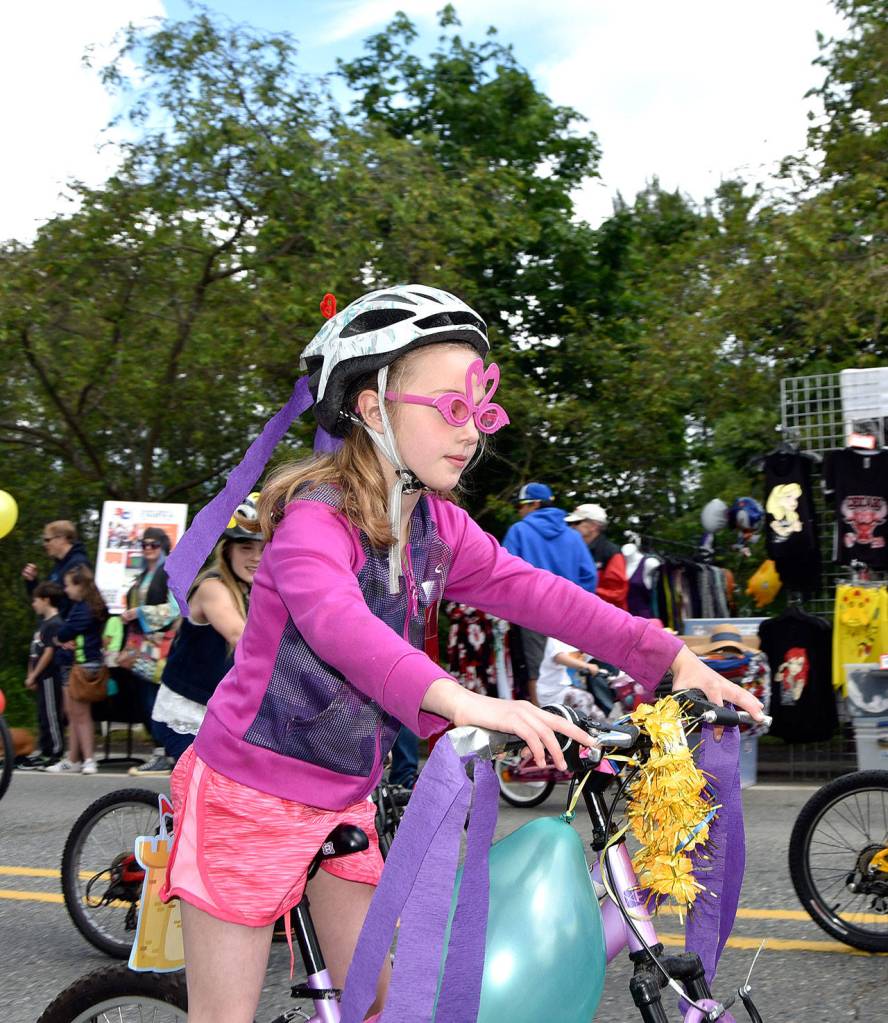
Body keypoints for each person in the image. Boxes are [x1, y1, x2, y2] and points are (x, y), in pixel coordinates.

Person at [158, 284, 763, 1023]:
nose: (471, 431)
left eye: (480, 410)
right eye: (449, 408)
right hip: (247, 797)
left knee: (385, 1006)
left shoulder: (437, 526)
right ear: (375, 409)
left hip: (342, 796)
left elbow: (539, 594)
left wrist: (671, 658)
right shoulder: (315, 522)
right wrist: (459, 698)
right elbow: (339, 624)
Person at [144, 499, 265, 771]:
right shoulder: (213, 587)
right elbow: (239, 636)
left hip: (225, 712)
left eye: (263, 548)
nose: (256, 557)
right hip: (187, 713)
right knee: (208, 792)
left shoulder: (259, 590)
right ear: (228, 550)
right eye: (246, 547)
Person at [502, 483, 598, 703]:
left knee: (536, 667)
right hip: (569, 612)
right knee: (569, 663)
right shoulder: (573, 536)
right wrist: (575, 602)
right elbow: (589, 576)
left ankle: (541, 722)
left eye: (521, 505)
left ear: (534, 504)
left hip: (532, 612)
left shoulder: (519, 531)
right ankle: (572, 720)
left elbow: (504, 573)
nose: (519, 510)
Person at [120, 527, 180, 777]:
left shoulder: (170, 573)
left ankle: (166, 753)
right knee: (145, 699)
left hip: (161, 647)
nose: (148, 548)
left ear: (164, 546)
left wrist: (139, 613)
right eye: (144, 544)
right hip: (140, 647)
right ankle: (162, 752)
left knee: (156, 699)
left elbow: (176, 608)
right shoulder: (143, 574)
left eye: (153, 544)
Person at [45, 565, 109, 775]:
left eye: (68, 585)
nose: (65, 590)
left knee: (80, 714)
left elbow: (66, 632)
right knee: (73, 713)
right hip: (84, 664)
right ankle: (73, 759)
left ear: (80, 586)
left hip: (81, 666)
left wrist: (59, 638)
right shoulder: (91, 605)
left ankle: (89, 759)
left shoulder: (83, 608)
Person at [19, 581, 66, 770]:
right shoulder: (43, 625)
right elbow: (34, 652)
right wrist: (31, 674)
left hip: (49, 675)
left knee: (52, 714)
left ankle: (55, 751)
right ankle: (45, 749)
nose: (33, 604)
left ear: (46, 600)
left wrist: (36, 673)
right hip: (40, 676)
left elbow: (48, 652)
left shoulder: (55, 624)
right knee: (42, 714)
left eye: (36, 600)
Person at [21, 520, 92, 617]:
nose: (45, 544)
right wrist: (32, 581)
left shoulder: (79, 563)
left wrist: (61, 628)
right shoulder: (58, 566)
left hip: (68, 628)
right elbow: (46, 599)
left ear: (61, 539)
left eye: (47, 540)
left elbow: (78, 602)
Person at [565, 503, 629, 610]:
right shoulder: (571, 548)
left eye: (576, 522)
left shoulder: (611, 552)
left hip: (604, 616)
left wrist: (580, 591)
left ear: (594, 526)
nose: (571, 526)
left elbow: (617, 593)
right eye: (570, 523)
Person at [535, 637, 607, 721]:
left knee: (598, 716)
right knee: (585, 698)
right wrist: (587, 666)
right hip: (551, 692)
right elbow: (559, 657)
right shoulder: (553, 638)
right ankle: (580, 730)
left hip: (564, 688)